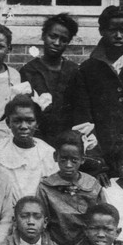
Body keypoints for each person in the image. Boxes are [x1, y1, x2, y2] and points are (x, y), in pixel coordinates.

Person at [70, 6, 123, 175]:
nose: (118, 35)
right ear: (102, 31)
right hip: (102, 161)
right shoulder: (87, 71)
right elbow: (82, 119)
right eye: (112, 30)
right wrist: (96, 163)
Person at [35, 130, 104, 245]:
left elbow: (102, 218)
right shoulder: (46, 187)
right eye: (63, 159)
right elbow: (41, 222)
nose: (68, 165)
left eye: (74, 160)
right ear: (55, 157)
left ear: (82, 159)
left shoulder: (92, 185)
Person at [19, 13, 81, 146]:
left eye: (63, 39)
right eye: (53, 36)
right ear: (43, 36)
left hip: (67, 142)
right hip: (36, 140)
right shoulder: (29, 71)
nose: (57, 43)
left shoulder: (74, 71)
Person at [0, 94, 58, 198]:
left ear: (37, 123)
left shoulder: (47, 153)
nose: (23, 126)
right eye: (17, 121)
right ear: (8, 123)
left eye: (29, 121)